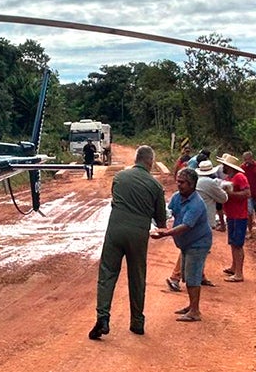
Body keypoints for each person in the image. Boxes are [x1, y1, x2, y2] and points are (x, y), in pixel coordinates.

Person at [89, 145, 167, 339]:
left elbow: (114, 199)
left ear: (136, 159)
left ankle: (103, 317)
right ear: (150, 162)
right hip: (138, 234)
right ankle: (137, 322)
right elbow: (161, 221)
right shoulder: (155, 186)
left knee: (107, 273)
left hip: (115, 230)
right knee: (137, 276)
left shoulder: (120, 177)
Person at [152, 167, 213, 322]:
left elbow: (186, 226)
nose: (178, 185)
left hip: (198, 243)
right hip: (187, 243)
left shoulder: (196, 203)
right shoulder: (177, 197)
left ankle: (195, 311)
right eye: (178, 181)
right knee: (187, 275)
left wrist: (165, 233)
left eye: (182, 182)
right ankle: (192, 305)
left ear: (192, 184)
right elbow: (167, 212)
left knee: (193, 275)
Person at [166, 159, 227, 291]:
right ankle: (180, 278)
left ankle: (191, 278)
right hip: (206, 220)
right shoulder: (211, 184)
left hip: (194, 226)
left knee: (195, 254)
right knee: (194, 254)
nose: (179, 185)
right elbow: (223, 199)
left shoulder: (191, 194)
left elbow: (171, 214)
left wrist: (165, 230)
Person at [217, 153, 251, 283]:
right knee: (233, 242)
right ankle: (234, 267)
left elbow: (247, 193)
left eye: (224, 165)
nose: (222, 167)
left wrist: (231, 194)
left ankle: (239, 273)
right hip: (232, 214)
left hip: (239, 215)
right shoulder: (229, 177)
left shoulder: (240, 177)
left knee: (237, 244)